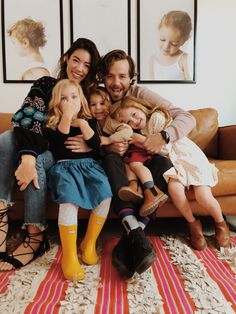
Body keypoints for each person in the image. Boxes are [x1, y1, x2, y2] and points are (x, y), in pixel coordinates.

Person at [89, 49, 196, 278]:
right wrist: (107, 147)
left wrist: (163, 136)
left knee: (164, 164)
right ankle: (138, 236)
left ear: (131, 78)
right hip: (116, 165)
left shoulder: (140, 94)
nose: (116, 83)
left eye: (122, 76)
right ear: (102, 78)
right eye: (109, 76)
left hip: (146, 160)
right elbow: (89, 141)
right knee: (110, 158)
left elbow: (187, 117)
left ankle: (131, 238)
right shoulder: (97, 101)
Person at [0, 38, 100, 271]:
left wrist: (90, 144)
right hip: (32, 146)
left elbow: (100, 128)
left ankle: (36, 237)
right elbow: (27, 118)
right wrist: (27, 156)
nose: (79, 68)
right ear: (66, 58)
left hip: (58, 154)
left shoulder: (87, 96)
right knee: (5, 138)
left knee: (33, 160)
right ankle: (1, 213)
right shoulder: (46, 84)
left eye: (86, 64)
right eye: (76, 60)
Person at [116, 96, 231, 250]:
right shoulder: (142, 130)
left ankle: (220, 223)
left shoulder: (155, 119)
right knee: (174, 190)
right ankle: (193, 223)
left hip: (189, 159)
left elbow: (161, 148)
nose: (134, 121)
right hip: (176, 163)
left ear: (141, 108)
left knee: (203, 196)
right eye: (129, 122)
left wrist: (140, 140)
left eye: (135, 115)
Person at [45, 79, 112, 281]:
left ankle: (89, 243)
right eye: (64, 99)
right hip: (64, 168)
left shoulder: (88, 120)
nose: (70, 101)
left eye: (74, 97)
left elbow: (95, 143)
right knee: (69, 202)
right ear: (57, 103)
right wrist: (66, 116)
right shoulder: (53, 122)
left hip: (89, 166)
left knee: (105, 196)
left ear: (81, 100)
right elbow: (57, 144)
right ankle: (70, 255)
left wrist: (82, 123)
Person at [89, 89, 169, 216]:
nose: (98, 108)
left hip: (140, 151)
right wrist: (109, 146)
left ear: (109, 105)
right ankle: (134, 188)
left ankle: (151, 191)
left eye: (102, 103)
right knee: (127, 163)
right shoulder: (93, 123)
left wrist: (109, 140)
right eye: (93, 104)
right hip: (127, 154)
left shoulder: (113, 120)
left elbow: (127, 132)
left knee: (135, 164)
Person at [149, 10, 192, 81]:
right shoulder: (153, 60)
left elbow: (192, 87)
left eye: (173, 43)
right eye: (162, 39)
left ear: (183, 42)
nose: (166, 46)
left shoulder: (184, 60)